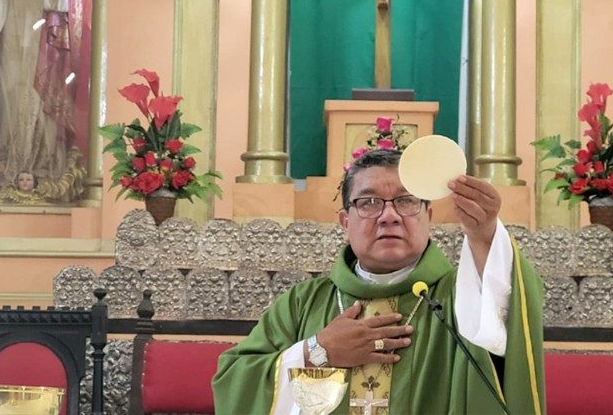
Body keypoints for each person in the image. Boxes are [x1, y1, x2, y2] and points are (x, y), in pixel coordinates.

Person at [213, 149, 545, 414]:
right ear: (345, 221)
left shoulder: (461, 296)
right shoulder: (303, 302)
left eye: (406, 200)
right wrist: (318, 351)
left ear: (428, 215)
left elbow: (507, 323)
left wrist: (485, 233)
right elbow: (233, 382)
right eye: (369, 202)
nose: (389, 215)